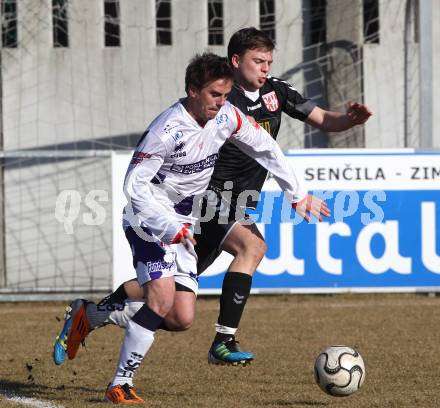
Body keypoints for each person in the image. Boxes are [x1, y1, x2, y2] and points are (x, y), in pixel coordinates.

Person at [53, 27, 370, 369]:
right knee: (253, 247)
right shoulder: (216, 100)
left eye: (268, 62)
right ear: (236, 62)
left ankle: (95, 312)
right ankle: (223, 340)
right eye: (257, 61)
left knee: (170, 298)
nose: (265, 68)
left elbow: (321, 119)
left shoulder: (276, 91)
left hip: (233, 201)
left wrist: (349, 121)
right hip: (208, 198)